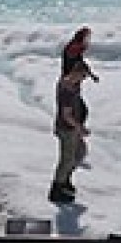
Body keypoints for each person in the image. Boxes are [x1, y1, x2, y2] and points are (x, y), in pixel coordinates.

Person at [49, 62, 90, 203]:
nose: (83, 79)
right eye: (83, 76)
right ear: (76, 73)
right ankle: (57, 189)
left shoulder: (74, 84)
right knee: (67, 160)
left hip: (72, 128)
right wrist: (79, 128)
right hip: (67, 129)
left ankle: (65, 180)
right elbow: (66, 115)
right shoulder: (66, 89)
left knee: (79, 153)